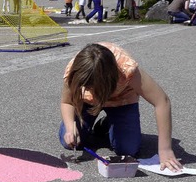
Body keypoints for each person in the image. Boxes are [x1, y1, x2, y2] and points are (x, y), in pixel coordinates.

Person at [59, 42, 182, 172]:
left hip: (122, 100)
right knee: (69, 141)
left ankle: (107, 124)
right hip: (87, 103)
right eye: (87, 87)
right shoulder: (75, 70)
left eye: (94, 87)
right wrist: (69, 127)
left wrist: (165, 150)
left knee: (128, 150)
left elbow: (162, 101)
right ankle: (102, 125)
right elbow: (67, 101)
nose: (92, 90)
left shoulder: (127, 68)